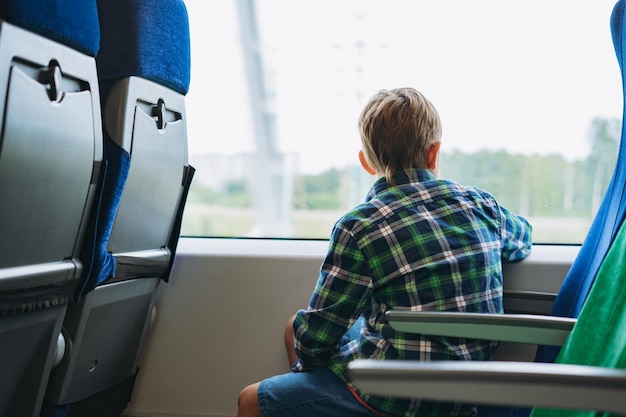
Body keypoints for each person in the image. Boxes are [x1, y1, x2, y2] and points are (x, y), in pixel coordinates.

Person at [237, 87, 532, 417]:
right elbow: (523, 239)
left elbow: (319, 334)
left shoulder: (360, 226)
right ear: (434, 154)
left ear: (366, 162)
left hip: (397, 398)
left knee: (253, 397)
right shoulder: (482, 204)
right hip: (469, 390)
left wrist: (317, 368)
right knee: (298, 328)